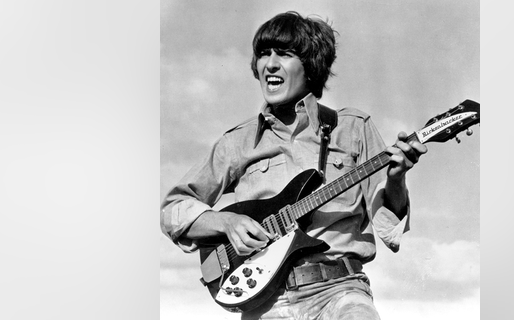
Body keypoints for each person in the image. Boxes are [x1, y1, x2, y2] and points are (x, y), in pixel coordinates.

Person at [161, 11, 427, 320]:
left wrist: (397, 179)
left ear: (311, 66)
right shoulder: (237, 143)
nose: (270, 64)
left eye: (284, 54)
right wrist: (226, 224)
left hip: (340, 291)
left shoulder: (353, 128)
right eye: (263, 54)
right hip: (267, 302)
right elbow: (173, 209)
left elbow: (388, 228)